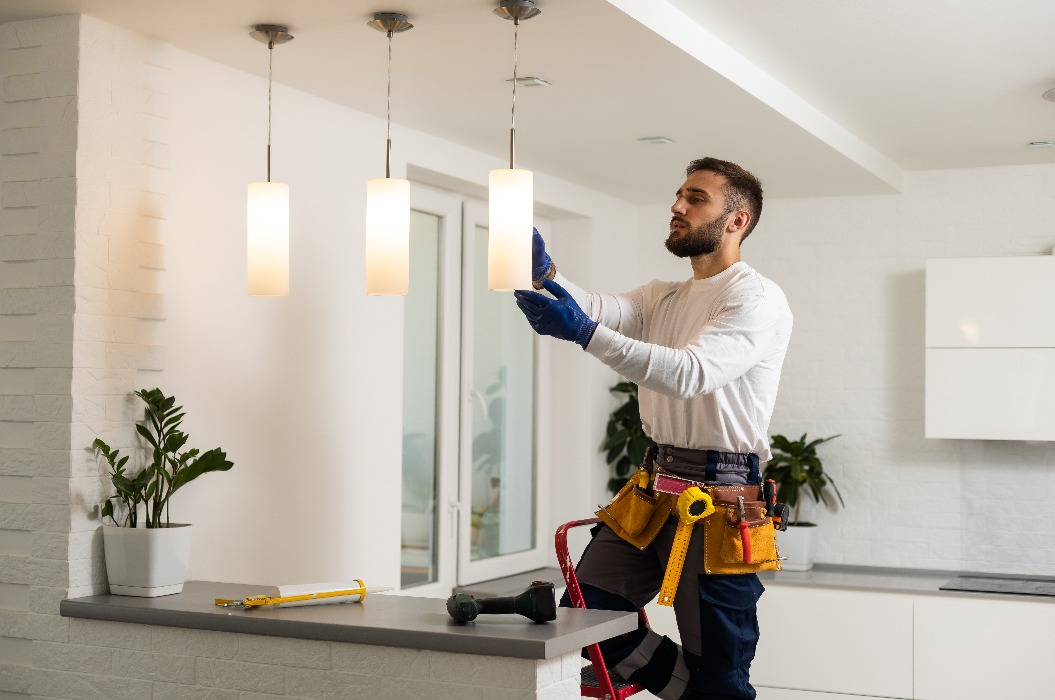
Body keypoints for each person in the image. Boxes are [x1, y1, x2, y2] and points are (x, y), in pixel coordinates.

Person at [514, 157, 793, 699]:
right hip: (654, 487)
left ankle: (711, 691)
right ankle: (698, 694)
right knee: (585, 624)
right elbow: (596, 310)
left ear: (737, 221)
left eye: (695, 198)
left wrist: (583, 334)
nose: (677, 206)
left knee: (721, 664)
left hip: (722, 499)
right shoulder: (661, 295)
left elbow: (691, 373)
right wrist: (548, 277)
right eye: (678, 196)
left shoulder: (754, 298)